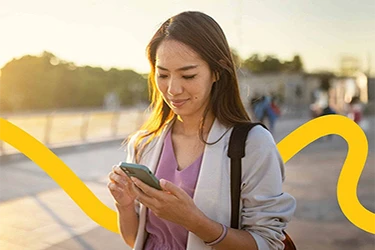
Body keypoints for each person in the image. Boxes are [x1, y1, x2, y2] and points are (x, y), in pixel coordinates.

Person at [107, 11, 296, 250]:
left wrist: (192, 220)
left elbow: (268, 243)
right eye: (162, 74)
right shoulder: (144, 143)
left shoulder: (253, 144)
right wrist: (124, 205)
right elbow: (137, 240)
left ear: (217, 72)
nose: (173, 89)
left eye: (188, 75)